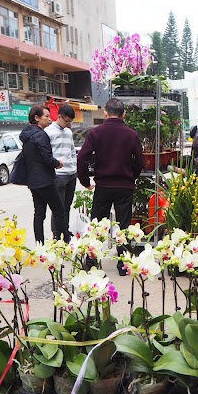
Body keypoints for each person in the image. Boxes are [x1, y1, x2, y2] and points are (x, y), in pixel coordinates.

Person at [77, 98, 144, 276]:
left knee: (97, 224)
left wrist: (85, 180)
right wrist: (132, 177)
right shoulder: (131, 134)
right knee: (123, 225)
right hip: (124, 185)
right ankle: (123, 264)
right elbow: (140, 161)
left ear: (106, 113)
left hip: (103, 185)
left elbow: (82, 157)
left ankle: (91, 262)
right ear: (124, 114)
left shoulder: (96, 133)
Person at [20, 105, 70, 244]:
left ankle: (40, 243)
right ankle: (64, 241)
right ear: (37, 118)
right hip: (45, 180)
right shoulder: (41, 135)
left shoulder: (26, 135)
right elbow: (46, 157)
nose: (49, 119)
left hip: (33, 181)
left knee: (39, 213)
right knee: (59, 210)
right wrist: (57, 163)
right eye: (46, 116)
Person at [46, 103, 77, 236]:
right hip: (58, 174)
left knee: (67, 205)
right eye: (67, 121)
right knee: (58, 207)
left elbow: (72, 151)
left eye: (70, 122)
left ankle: (65, 229)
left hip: (71, 173)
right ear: (59, 116)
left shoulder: (69, 132)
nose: (68, 124)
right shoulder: (48, 132)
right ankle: (57, 233)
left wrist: (74, 166)